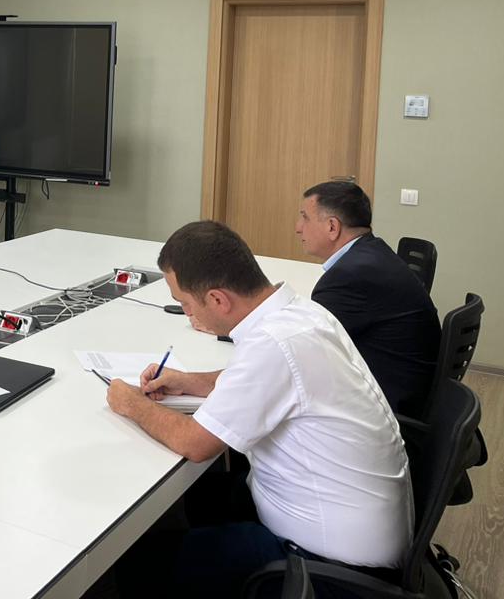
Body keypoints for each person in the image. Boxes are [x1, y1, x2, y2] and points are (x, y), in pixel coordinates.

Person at [107, 220, 411, 598]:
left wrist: (131, 403)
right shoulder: (300, 314)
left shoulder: (273, 344)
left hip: (325, 567)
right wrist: (190, 381)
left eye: (185, 303)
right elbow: (270, 380)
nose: (187, 313)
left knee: (139, 562)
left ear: (217, 300)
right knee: (206, 497)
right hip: (351, 526)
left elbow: (195, 443)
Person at [297, 180, 440, 416]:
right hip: (409, 387)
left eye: (305, 218)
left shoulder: (349, 276)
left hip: (386, 408)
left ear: (332, 227)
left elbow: (301, 351)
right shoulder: (371, 251)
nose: (298, 228)